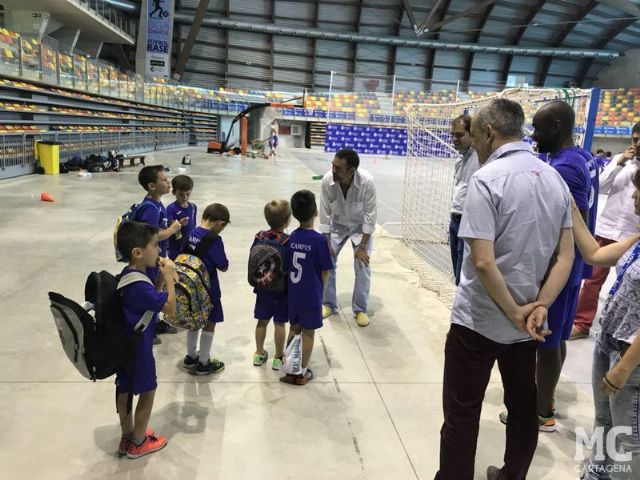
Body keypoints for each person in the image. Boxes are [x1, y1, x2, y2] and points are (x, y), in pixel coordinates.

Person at [435, 99, 575, 480]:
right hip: (527, 324)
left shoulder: (487, 179)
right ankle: (513, 474)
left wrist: (513, 311)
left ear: (490, 132)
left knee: (462, 413)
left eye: (476, 135)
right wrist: (538, 306)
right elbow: (566, 256)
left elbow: (482, 261)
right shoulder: (553, 180)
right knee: (522, 406)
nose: (475, 144)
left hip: (478, 322)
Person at [501, 101, 595, 432]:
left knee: (546, 340)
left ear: (556, 126)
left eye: (538, 129)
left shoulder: (566, 168)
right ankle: (548, 400)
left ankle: (540, 413)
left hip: (561, 269)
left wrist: (550, 271)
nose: (533, 136)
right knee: (558, 338)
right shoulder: (581, 157)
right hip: (573, 269)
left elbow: (575, 226)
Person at [571, 169, 640, 479]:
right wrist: (571, 207)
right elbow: (595, 254)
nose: (634, 196)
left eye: (639, 191)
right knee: (604, 422)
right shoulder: (637, 239)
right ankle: (594, 475)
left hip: (631, 355)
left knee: (628, 439)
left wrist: (624, 367)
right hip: (609, 339)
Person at [572, 122, 640, 339]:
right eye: (635, 139)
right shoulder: (621, 161)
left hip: (631, 235)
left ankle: (624, 333)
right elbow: (600, 187)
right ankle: (582, 323)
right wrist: (618, 164)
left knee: (629, 284)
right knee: (592, 280)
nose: (637, 144)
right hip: (608, 228)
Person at [115, 221, 176, 459]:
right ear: (138, 252)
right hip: (140, 348)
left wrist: (160, 279)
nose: (159, 251)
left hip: (126, 345)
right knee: (147, 390)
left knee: (126, 387)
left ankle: (128, 435)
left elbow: (152, 301)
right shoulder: (139, 285)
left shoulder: (131, 275)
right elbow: (169, 307)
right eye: (155, 245)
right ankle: (139, 442)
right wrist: (170, 278)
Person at [319, 148, 377, 327]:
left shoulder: (367, 181)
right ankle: (328, 304)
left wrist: (362, 247)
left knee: (362, 264)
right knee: (326, 260)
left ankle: (360, 309)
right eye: (333, 165)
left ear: (351, 171)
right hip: (337, 226)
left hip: (360, 229)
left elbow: (370, 216)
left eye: (338, 168)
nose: (333, 170)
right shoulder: (328, 179)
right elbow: (324, 213)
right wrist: (326, 241)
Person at [280, 190, 333, 386]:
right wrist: (321, 290)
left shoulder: (292, 236)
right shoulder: (319, 241)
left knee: (294, 329)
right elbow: (326, 270)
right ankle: (301, 372)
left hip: (293, 294)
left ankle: (289, 368)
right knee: (309, 333)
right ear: (316, 212)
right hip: (311, 296)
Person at [182, 204, 230, 375]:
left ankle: (190, 356)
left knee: (193, 320)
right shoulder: (214, 240)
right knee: (210, 323)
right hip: (208, 289)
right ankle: (203, 362)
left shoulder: (191, 233)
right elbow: (223, 266)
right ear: (219, 223)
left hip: (190, 287)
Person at [136, 166, 181, 338]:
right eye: (163, 180)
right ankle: (147, 326)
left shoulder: (158, 203)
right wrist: (172, 229)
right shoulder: (150, 208)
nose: (168, 182)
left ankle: (154, 320)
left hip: (157, 255)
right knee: (151, 289)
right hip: (149, 259)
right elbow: (152, 236)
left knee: (157, 288)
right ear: (151, 186)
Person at [252, 200, 292, 370]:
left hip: (262, 287)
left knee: (261, 322)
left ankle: (259, 353)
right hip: (281, 289)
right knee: (280, 323)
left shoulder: (259, 237)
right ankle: (278, 357)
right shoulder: (286, 241)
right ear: (288, 220)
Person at [449, 114, 480, 285]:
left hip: (467, 221)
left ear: (472, 134)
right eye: (453, 134)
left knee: (464, 274)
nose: (454, 139)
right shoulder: (460, 159)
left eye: (460, 135)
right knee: (457, 272)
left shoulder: (478, 157)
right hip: (455, 218)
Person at [166, 175, 197, 261]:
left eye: (188, 194)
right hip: (175, 248)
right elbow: (168, 226)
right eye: (181, 194)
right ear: (174, 192)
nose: (185, 197)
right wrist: (179, 224)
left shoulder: (193, 207)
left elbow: (193, 225)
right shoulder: (171, 208)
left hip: (189, 248)